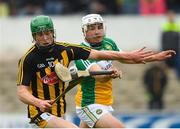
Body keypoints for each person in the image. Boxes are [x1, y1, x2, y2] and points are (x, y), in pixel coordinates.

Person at [74, 14, 176, 128]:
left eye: (99, 27)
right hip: (90, 105)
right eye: (92, 28)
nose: (97, 31)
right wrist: (110, 73)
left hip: (105, 102)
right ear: (84, 31)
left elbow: (127, 58)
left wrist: (156, 57)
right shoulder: (82, 53)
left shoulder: (109, 43)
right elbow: (99, 76)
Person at [161, 10, 180, 80]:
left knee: (178, 66)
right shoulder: (165, 26)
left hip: (176, 51)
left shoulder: (177, 26)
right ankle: (164, 79)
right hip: (166, 51)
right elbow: (162, 39)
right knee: (165, 68)